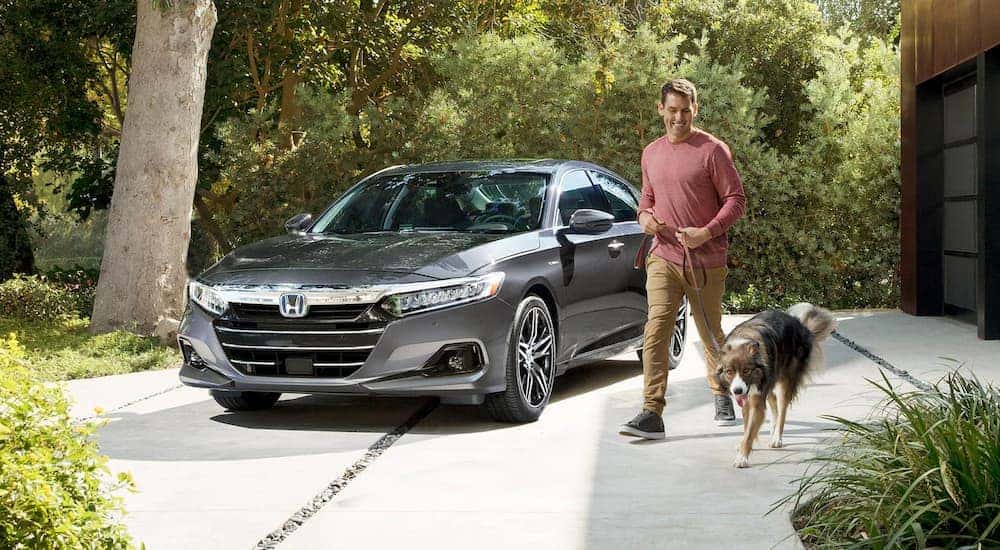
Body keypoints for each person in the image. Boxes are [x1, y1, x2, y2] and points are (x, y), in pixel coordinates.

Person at [619, 78, 746, 440]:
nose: (679, 118)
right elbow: (646, 199)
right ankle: (651, 412)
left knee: (709, 334)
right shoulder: (651, 153)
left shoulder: (712, 151)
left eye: (685, 111)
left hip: (705, 259)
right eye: (672, 110)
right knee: (656, 328)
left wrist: (706, 231)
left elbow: (736, 200)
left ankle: (721, 391)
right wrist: (644, 218)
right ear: (660, 109)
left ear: (696, 110)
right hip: (663, 254)